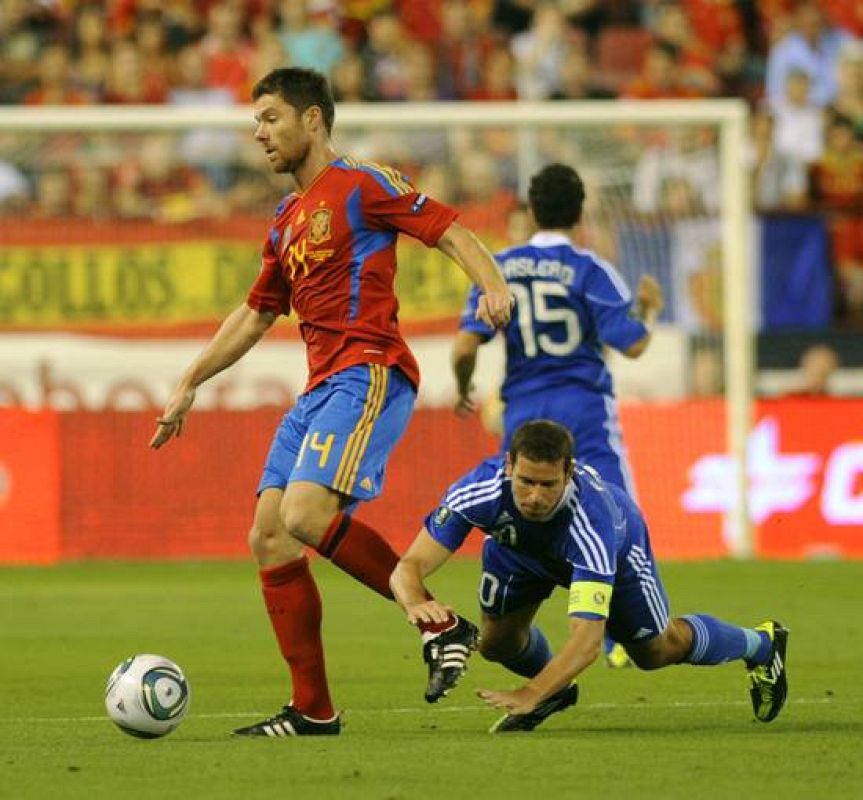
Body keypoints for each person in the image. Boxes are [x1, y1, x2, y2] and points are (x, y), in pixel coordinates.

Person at [150, 66, 513, 737]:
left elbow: (450, 231)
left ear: (311, 119)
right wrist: (190, 380)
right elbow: (257, 314)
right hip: (319, 389)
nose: (258, 132)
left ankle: (436, 619)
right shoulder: (286, 219)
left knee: (306, 513)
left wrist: (491, 286)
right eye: (256, 120)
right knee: (268, 536)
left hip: (367, 370)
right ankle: (313, 709)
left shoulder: (363, 183)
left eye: (270, 118)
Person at [390, 420, 790, 733]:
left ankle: (761, 644)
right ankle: (556, 689)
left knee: (655, 651)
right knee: (496, 645)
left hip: (618, 547)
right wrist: (416, 603)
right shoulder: (478, 491)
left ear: (569, 473)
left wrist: (530, 693)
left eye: (548, 485)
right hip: (520, 554)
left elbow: (586, 642)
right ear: (508, 466)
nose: (534, 496)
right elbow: (408, 568)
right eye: (526, 481)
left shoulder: (591, 524)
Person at [451, 162, 664, 667]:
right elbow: (631, 345)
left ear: (531, 207)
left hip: (524, 414)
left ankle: (515, 618)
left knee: (527, 507)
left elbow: (464, 347)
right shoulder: (591, 269)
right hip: (584, 408)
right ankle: (621, 634)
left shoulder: (497, 267)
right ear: (580, 211)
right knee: (615, 513)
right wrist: (649, 311)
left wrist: (465, 388)